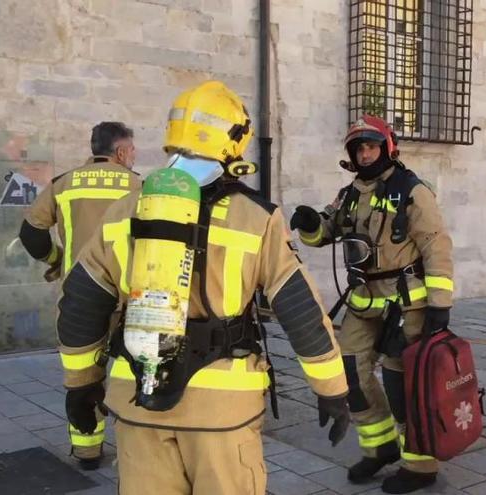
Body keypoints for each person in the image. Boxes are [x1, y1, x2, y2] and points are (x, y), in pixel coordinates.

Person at [55, 80, 349, 494]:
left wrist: (80, 386)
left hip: (138, 399)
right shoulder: (257, 218)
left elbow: (80, 306)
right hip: (221, 412)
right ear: (233, 146)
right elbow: (300, 309)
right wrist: (332, 389)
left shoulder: (123, 211)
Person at [290, 115, 454, 494]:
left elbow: (436, 244)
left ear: (387, 147)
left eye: (371, 146)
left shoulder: (412, 190)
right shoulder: (350, 194)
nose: (365, 154)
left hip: (407, 307)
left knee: (404, 385)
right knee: (350, 373)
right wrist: (310, 222)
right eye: (359, 148)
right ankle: (380, 446)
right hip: (365, 303)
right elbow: (325, 233)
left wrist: (439, 305)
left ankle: (420, 465)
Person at [19, 121, 141, 469]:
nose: (134, 155)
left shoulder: (64, 184)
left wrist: (56, 261)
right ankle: (140, 453)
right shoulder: (139, 186)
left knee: (82, 377)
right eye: (132, 150)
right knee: (136, 373)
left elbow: (31, 234)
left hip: (80, 297)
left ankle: (88, 452)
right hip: (129, 297)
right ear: (120, 152)